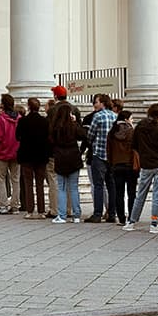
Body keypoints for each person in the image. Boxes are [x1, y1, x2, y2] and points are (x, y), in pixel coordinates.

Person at [123, 104, 158, 234]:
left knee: (140, 194)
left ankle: (132, 221)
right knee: (157, 195)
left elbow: (134, 145)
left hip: (146, 164)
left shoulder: (140, 127)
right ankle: (154, 223)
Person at [85, 94, 118, 223]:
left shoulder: (97, 116)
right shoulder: (115, 116)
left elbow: (90, 135)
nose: (95, 104)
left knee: (98, 185)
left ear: (102, 103)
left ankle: (97, 213)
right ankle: (112, 213)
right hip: (112, 155)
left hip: (99, 153)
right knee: (111, 185)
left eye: (96, 102)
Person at [50, 104, 85, 224]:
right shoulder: (73, 126)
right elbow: (83, 135)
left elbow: (51, 141)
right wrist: (76, 122)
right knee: (74, 187)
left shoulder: (55, 127)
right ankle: (76, 215)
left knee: (62, 188)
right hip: (73, 157)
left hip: (60, 157)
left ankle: (62, 215)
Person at [16, 98, 50, 219]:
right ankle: (41, 210)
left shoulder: (23, 121)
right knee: (40, 184)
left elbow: (17, 136)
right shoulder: (44, 121)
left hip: (27, 155)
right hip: (41, 155)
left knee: (28, 183)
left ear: (29, 107)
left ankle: (29, 210)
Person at [0, 94, 21, 215]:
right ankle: (15, 205)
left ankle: (3, 205)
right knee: (16, 180)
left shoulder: (0, 120)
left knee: (1, 179)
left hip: (2, 152)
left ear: (3, 104)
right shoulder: (19, 119)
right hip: (16, 152)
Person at [108, 110, 137, 226]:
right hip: (130, 165)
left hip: (116, 165)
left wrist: (111, 163)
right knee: (131, 193)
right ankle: (131, 217)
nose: (132, 120)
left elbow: (108, 151)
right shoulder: (131, 132)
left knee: (118, 193)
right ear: (126, 120)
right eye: (131, 118)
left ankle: (121, 218)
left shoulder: (112, 131)